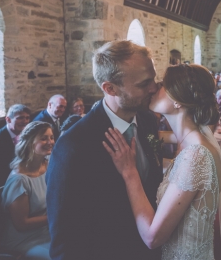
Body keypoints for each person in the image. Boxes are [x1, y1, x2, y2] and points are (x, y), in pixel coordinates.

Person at [103, 63, 221, 260]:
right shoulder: (192, 144)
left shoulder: (195, 156)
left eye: (161, 84)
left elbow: (152, 237)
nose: (153, 88)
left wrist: (130, 173)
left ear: (177, 99)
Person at [47, 40, 164, 260]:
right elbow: (65, 231)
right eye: (144, 83)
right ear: (110, 88)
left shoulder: (148, 120)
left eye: (154, 79)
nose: (154, 88)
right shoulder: (75, 145)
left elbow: (153, 175)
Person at [1, 122, 54, 259]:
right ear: (30, 143)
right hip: (26, 240)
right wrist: (55, 217)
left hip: (49, 231)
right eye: (44, 138)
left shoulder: (48, 164)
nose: (50, 142)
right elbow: (22, 224)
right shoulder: (20, 180)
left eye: (51, 137)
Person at [0, 104, 31, 191]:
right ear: (8, 119)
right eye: (20, 118)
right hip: (5, 182)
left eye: (27, 118)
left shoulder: (27, 133)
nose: (25, 121)